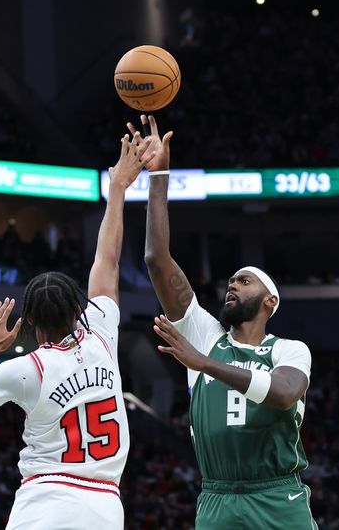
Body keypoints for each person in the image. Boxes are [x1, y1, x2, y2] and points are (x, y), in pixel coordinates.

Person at [0, 131, 156, 529]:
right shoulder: (102, 332)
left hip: (45, 501)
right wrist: (118, 188)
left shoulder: (27, 369)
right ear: (79, 309)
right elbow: (106, 260)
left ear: (32, 324)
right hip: (105, 508)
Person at [135, 114, 318, 529]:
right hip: (217, 495)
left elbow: (285, 394)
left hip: (277, 494)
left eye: (244, 280)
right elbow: (156, 260)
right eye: (231, 280)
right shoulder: (204, 333)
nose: (232, 285)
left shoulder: (288, 350)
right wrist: (159, 175)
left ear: (270, 301)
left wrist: (203, 365)